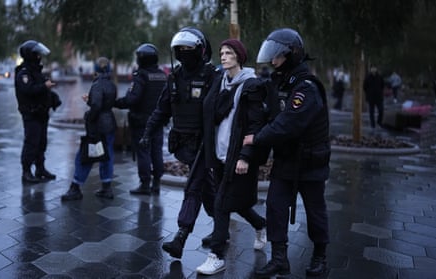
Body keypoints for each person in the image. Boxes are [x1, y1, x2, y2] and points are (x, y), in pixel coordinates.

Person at [243, 28, 330, 277]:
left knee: (315, 211)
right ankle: (279, 258)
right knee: (275, 206)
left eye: (278, 56)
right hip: (286, 161)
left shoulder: (306, 88)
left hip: (311, 162)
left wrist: (257, 139)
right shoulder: (279, 82)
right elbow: (263, 97)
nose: (273, 61)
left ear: (292, 55)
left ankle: (320, 257)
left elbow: (289, 123)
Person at [139, 26, 219, 259]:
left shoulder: (212, 76)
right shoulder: (173, 78)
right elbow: (161, 110)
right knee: (206, 189)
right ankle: (244, 223)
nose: (184, 54)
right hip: (185, 145)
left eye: (188, 49)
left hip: (206, 145)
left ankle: (181, 236)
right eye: (180, 50)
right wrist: (147, 133)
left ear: (201, 51)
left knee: (193, 187)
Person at [196, 39, 268, 275]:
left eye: (228, 53)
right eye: (221, 53)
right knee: (237, 204)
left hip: (237, 156)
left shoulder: (251, 85)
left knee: (221, 205)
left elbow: (256, 124)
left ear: (239, 56)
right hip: (219, 154)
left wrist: (246, 157)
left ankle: (216, 256)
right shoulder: (220, 82)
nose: (223, 57)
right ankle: (260, 225)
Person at [61, 57, 117, 201]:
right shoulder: (111, 84)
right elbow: (105, 103)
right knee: (106, 156)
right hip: (110, 123)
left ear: (96, 70)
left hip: (98, 127)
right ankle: (106, 187)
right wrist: (91, 101)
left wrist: (88, 115)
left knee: (85, 156)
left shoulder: (97, 85)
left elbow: (97, 106)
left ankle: (76, 187)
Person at [115, 43, 167, 195]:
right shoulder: (162, 75)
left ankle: (145, 185)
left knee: (143, 152)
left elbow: (132, 99)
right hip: (157, 121)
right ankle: (156, 183)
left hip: (141, 122)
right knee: (157, 151)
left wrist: (116, 102)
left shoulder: (141, 76)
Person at [14, 40, 61, 184]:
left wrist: (53, 98)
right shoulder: (24, 73)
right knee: (31, 143)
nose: (39, 57)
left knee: (42, 142)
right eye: (37, 54)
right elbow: (28, 90)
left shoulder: (36, 71)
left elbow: (42, 89)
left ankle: (40, 168)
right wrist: (44, 86)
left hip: (41, 114)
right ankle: (26, 172)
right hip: (31, 114)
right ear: (30, 55)